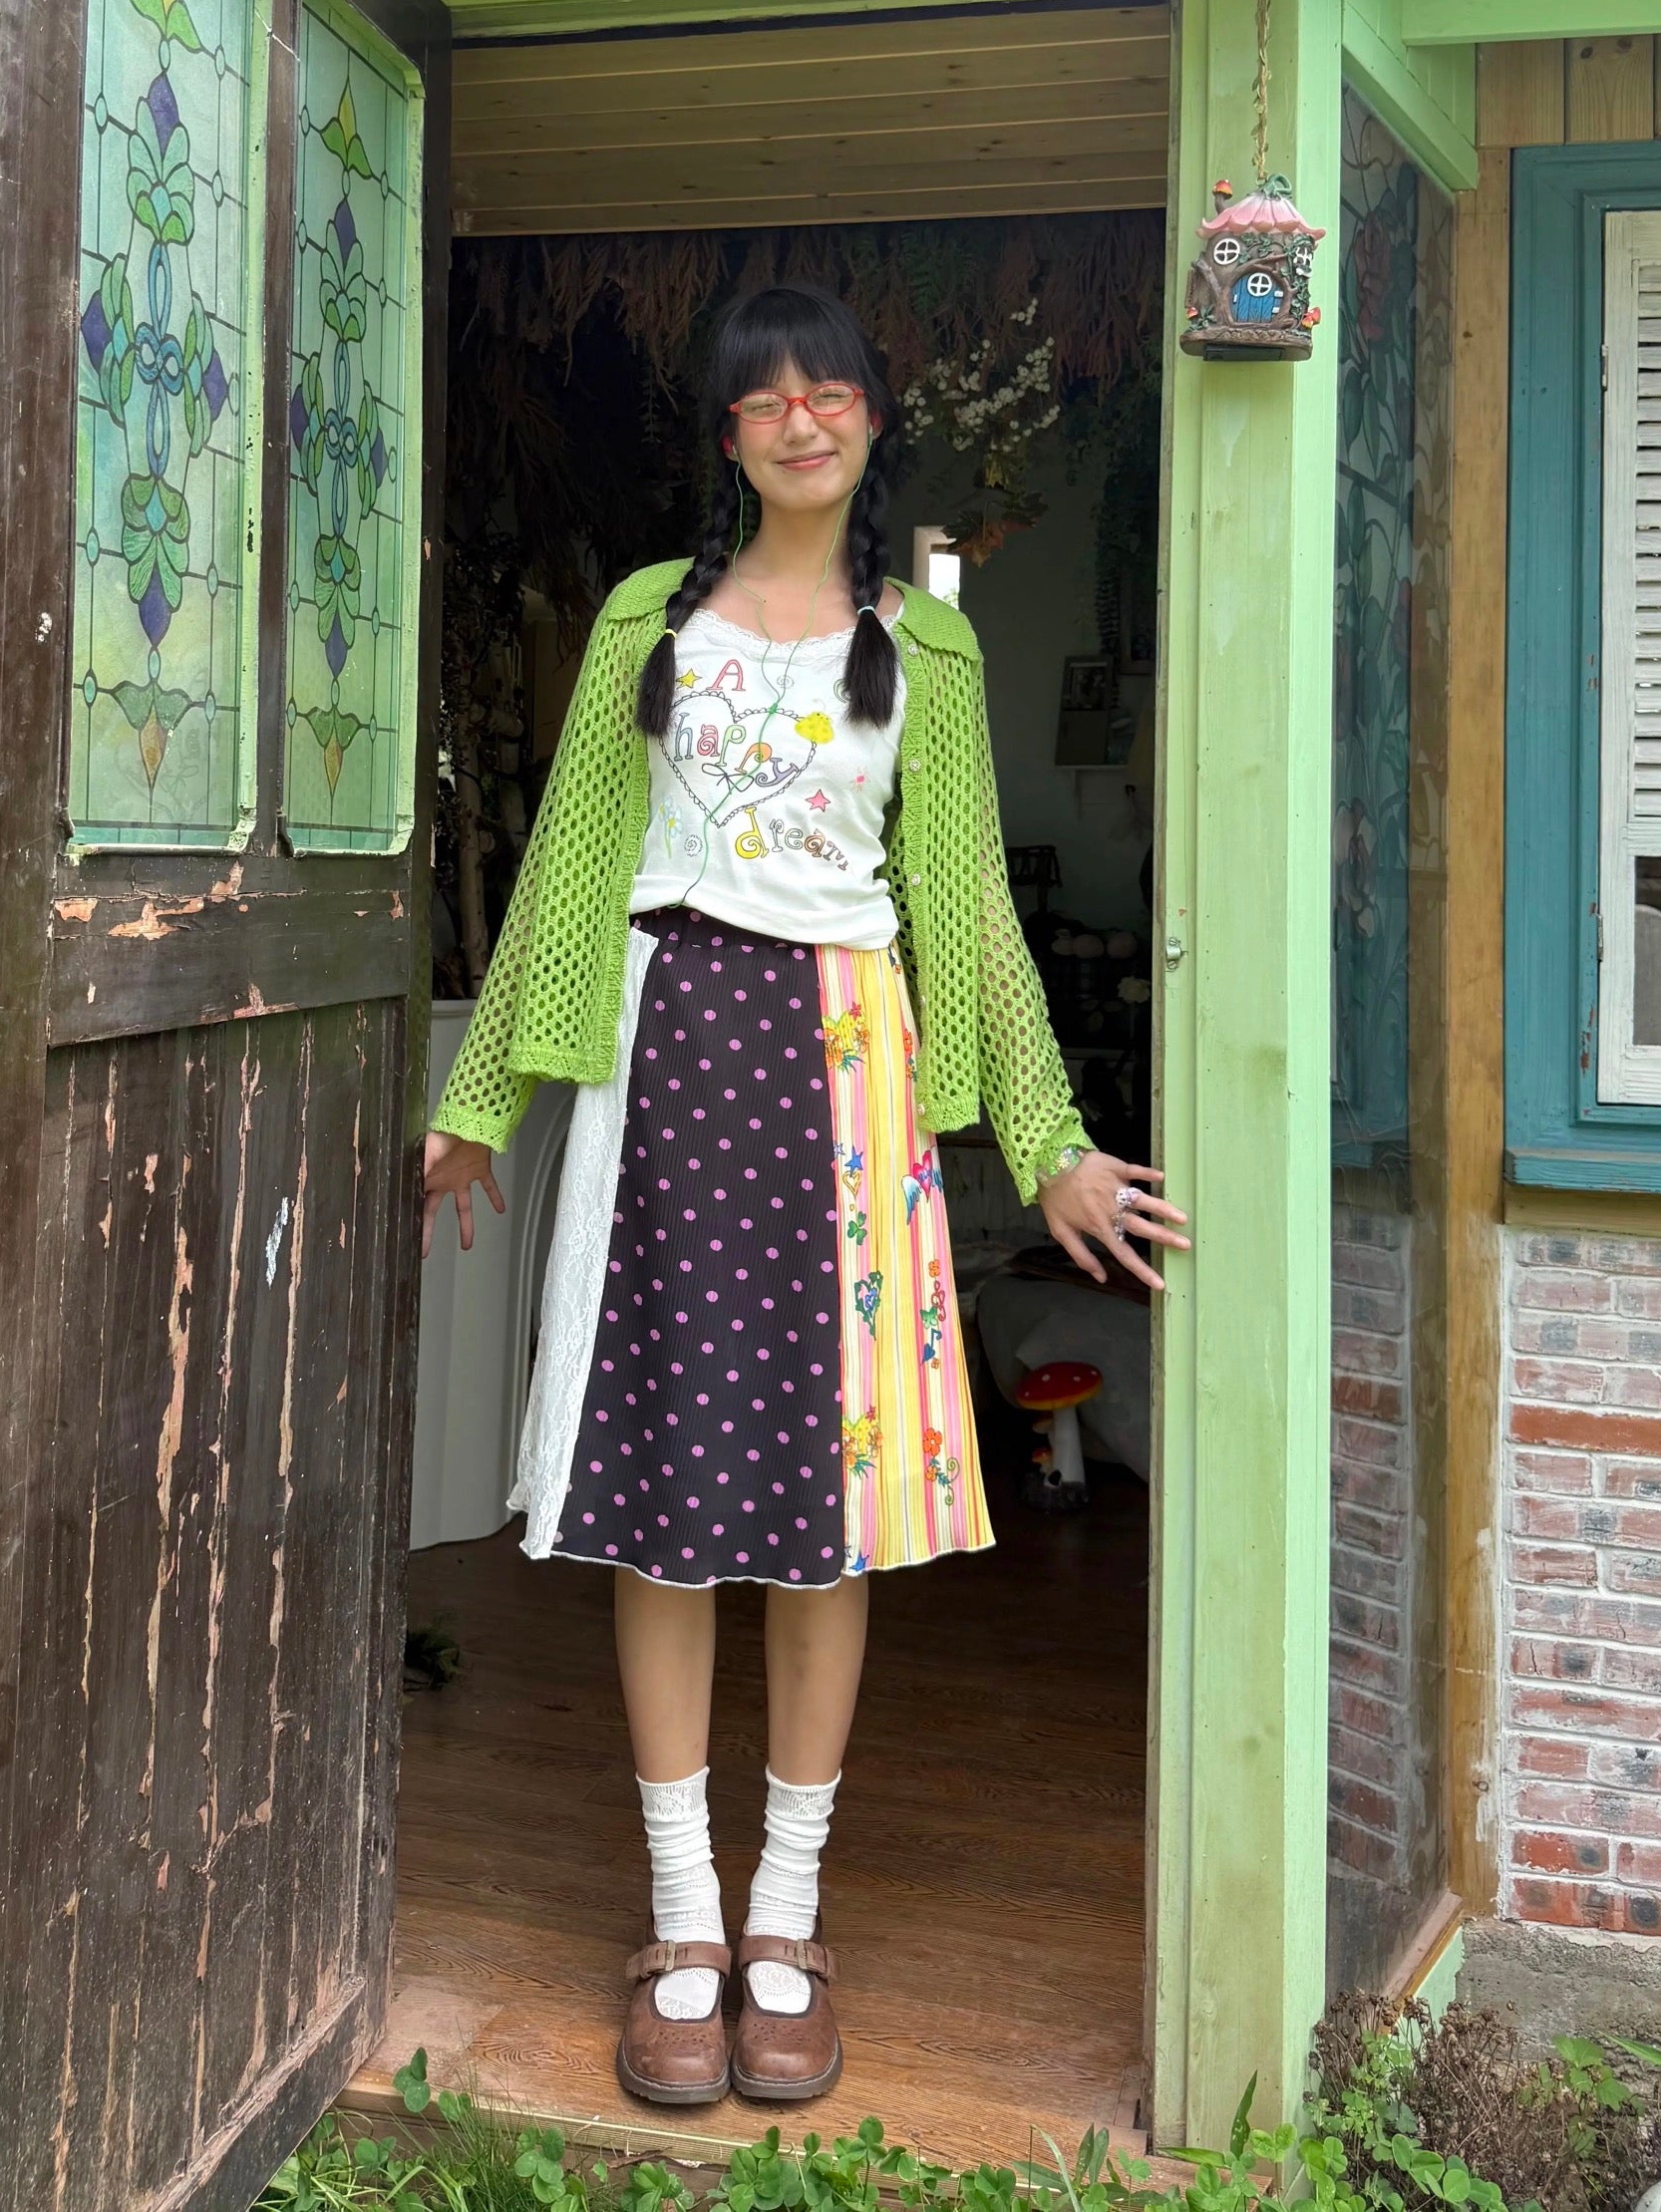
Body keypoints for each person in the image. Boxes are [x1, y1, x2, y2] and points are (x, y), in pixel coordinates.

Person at [423, 285, 1188, 2111]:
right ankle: (680, 1918)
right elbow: (566, 869)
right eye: (762, 399)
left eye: (828, 391)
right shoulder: (642, 620)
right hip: (656, 1060)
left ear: (865, 425)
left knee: (826, 1504)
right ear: (729, 437)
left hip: (845, 1073)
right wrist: (477, 1099)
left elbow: (970, 918)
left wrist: (1052, 1136)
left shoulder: (927, 646)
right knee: (663, 1501)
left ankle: (787, 1914)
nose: (797, 421)